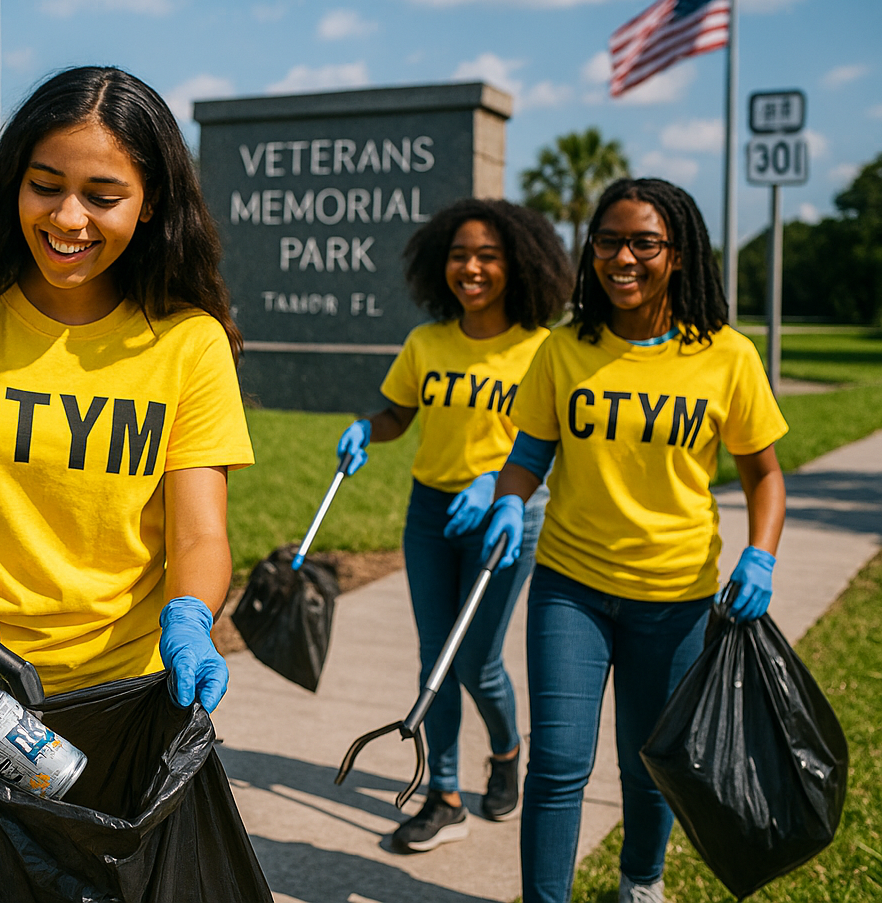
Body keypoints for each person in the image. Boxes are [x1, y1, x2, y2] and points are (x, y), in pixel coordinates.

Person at [0, 65, 255, 841]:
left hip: (122, 705)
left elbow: (200, 533)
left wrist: (191, 617)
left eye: (103, 196)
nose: (68, 216)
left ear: (151, 206)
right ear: (14, 183)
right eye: (45, 185)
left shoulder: (189, 342)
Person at [478, 178, 788, 903]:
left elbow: (765, 474)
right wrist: (507, 502)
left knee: (653, 763)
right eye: (608, 241)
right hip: (570, 587)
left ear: (677, 254)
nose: (623, 257)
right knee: (556, 764)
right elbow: (527, 456)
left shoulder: (726, 355)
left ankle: (640, 883)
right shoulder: (563, 349)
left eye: (643, 242)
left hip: (675, 596)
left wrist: (762, 551)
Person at [335, 199, 572, 851]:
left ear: (518, 264)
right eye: (460, 255)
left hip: (505, 517)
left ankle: (505, 749)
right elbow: (397, 415)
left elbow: (551, 447)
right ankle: (442, 793)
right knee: (432, 657)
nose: (471, 268)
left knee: (478, 662)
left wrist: (494, 485)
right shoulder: (426, 342)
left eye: (488, 256)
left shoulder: (543, 348)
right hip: (430, 512)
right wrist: (366, 430)